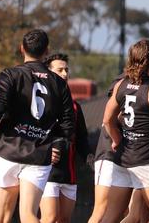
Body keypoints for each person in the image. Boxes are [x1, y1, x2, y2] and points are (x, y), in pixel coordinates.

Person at [0, 29, 75, 223]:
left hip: (8, 151)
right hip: (39, 154)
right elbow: (69, 126)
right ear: (46, 51)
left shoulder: (11, 74)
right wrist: (57, 145)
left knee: (0, 216)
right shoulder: (60, 84)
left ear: (22, 49)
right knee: (28, 215)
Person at [102, 39, 149, 223]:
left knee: (111, 217)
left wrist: (118, 140)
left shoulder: (121, 85)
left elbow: (107, 120)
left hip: (123, 158)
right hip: (146, 160)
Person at [40, 53, 93, 223]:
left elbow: (82, 139)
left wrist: (91, 159)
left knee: (63, 220)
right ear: (48, 73)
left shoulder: (75, 106)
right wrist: (45, 150)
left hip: (69, 176)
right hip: (46, 173)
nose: (64, 73)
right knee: (50, 218)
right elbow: (30, 134)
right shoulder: (40, 103)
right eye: (59, 69)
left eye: (66, 70)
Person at [88, 76, 131, 223]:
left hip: (128, 158)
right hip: (108, 156)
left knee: (125, 211)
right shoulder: (122, 83)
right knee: (101, 209)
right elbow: (110, 119)